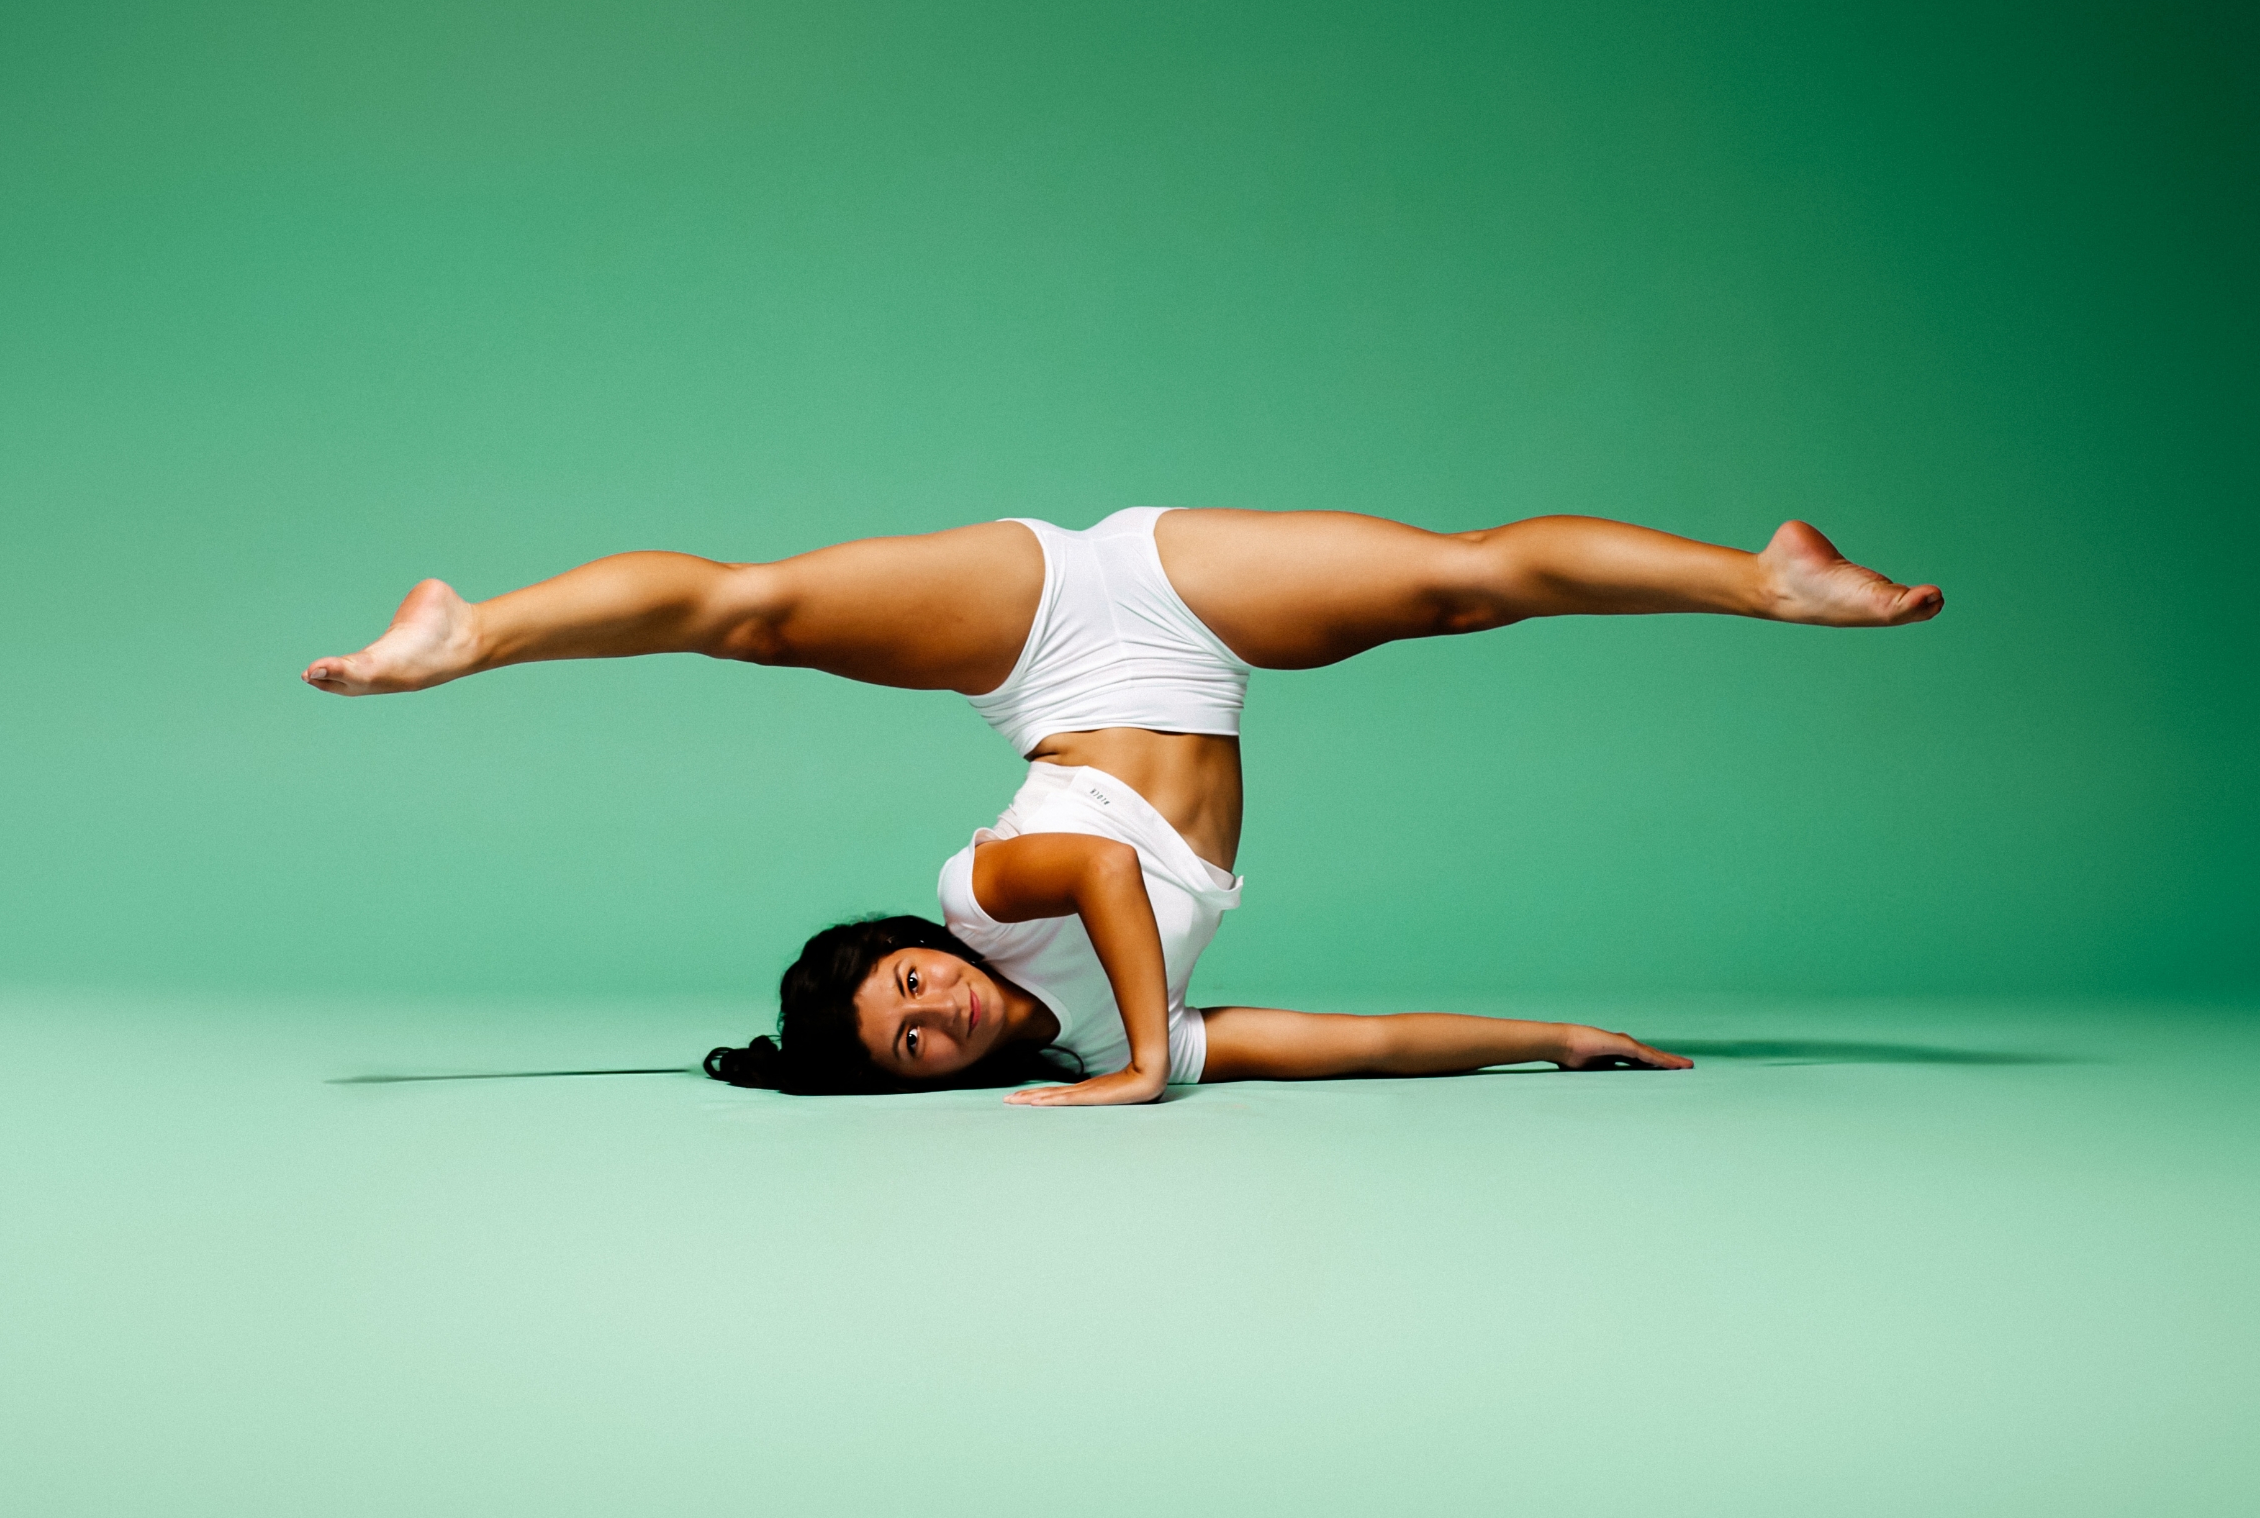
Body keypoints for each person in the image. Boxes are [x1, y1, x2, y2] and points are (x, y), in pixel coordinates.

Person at [304, 504, 1942, 1106]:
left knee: (759, 613)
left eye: (909, 980)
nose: (937, 1003)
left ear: (921, 942)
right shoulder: (1082, 1044)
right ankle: (1775, 589)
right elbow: (1338, 1041)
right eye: (915, 1040)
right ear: (932, 1077)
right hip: (1203, 649)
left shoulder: (989, 891)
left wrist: (1150, 1064)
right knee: (1459, 596)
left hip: (1050, 630)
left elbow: (1098, 858)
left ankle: (473, 632)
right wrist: (1550, 1039)